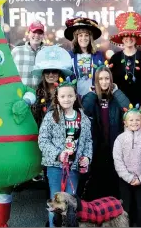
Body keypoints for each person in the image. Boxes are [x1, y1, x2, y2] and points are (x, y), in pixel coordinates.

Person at [38, 78, 93, 227]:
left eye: (70, 96)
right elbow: (42, 140)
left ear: (75, 97)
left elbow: (88, 141)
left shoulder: (83, 118)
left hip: (73, 168)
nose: (66, 99)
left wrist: (87, 157)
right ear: (57, 98)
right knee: (55, 203)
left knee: (71, 203)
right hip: (55, 167)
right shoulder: (51, 117)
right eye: (62, 96)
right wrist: (58, 154)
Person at [81, 66, 130, 200]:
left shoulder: (115, 97)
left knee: (113, 176)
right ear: (96, 81)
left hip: (114, 142)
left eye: (107, 78)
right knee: (98, 176)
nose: (104, 82)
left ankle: (113, 207)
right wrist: (91, 93)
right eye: (100, 79)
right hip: (97, 144)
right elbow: (84, 111)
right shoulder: (91, 97)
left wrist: (117, 91)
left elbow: (128, 107)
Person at [113, 105, 141, 227]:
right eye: (131, 120)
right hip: (125, 180)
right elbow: (118, 160)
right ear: (125, 122)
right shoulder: (120, 139)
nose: (134, 122)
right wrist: (129, 178)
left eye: (137, 120)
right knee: (126, 208)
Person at [109, 12, 141, 106]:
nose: (129, 38)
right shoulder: (115, 58)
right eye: (126, 36)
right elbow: (111, 83)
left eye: (132, 35)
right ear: (122, 39)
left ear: (136, 38)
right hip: (120, 104)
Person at [31, 45, 73, 128]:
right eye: (47, 71)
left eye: (54, 71)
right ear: (43, 74)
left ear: (59, 74)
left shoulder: (68, 92)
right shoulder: (37, 93)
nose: (50, 74)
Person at [64, 17, 104, 98]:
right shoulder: (69, 55)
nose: (83, 38)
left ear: (90, 38)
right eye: (80, 35)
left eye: (86, 35)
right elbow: (65, 77)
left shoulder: (98, 55)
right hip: (74, 98)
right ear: (76, 38)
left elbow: (102, 76)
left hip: (94, 97)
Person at [12, 20, 46, 89]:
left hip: (42, 96)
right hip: (21, 95)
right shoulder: (17, 51)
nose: (36, 35)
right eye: (34, 32)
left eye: (40, 33)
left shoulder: (47, 53)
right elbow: (8, 72)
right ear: (28, 33)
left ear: (43, 35)